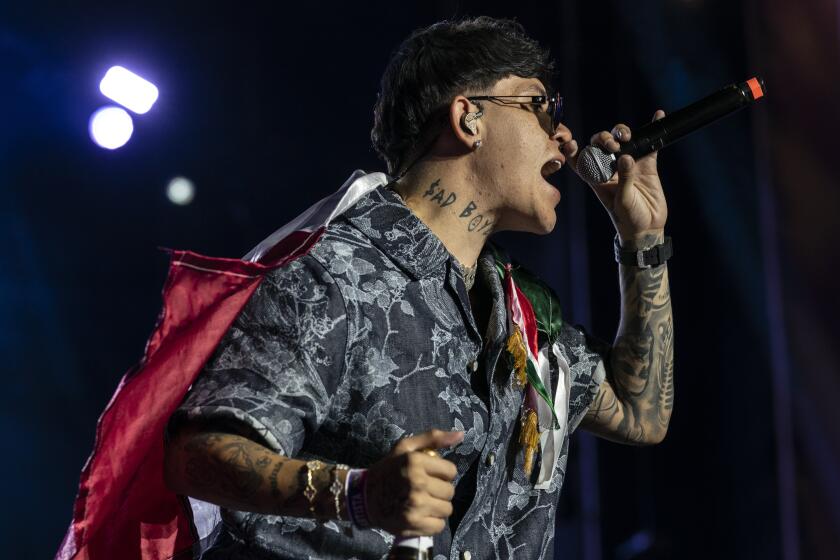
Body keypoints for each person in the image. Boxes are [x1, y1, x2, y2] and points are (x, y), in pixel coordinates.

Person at [163, 15, 674, 560]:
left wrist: (642, 239)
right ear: (468, 117)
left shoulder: (522, 311)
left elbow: (641, 414)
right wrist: (357, 495)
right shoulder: (334, 275)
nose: (565, 138)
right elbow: (196, 455)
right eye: (541, 106)